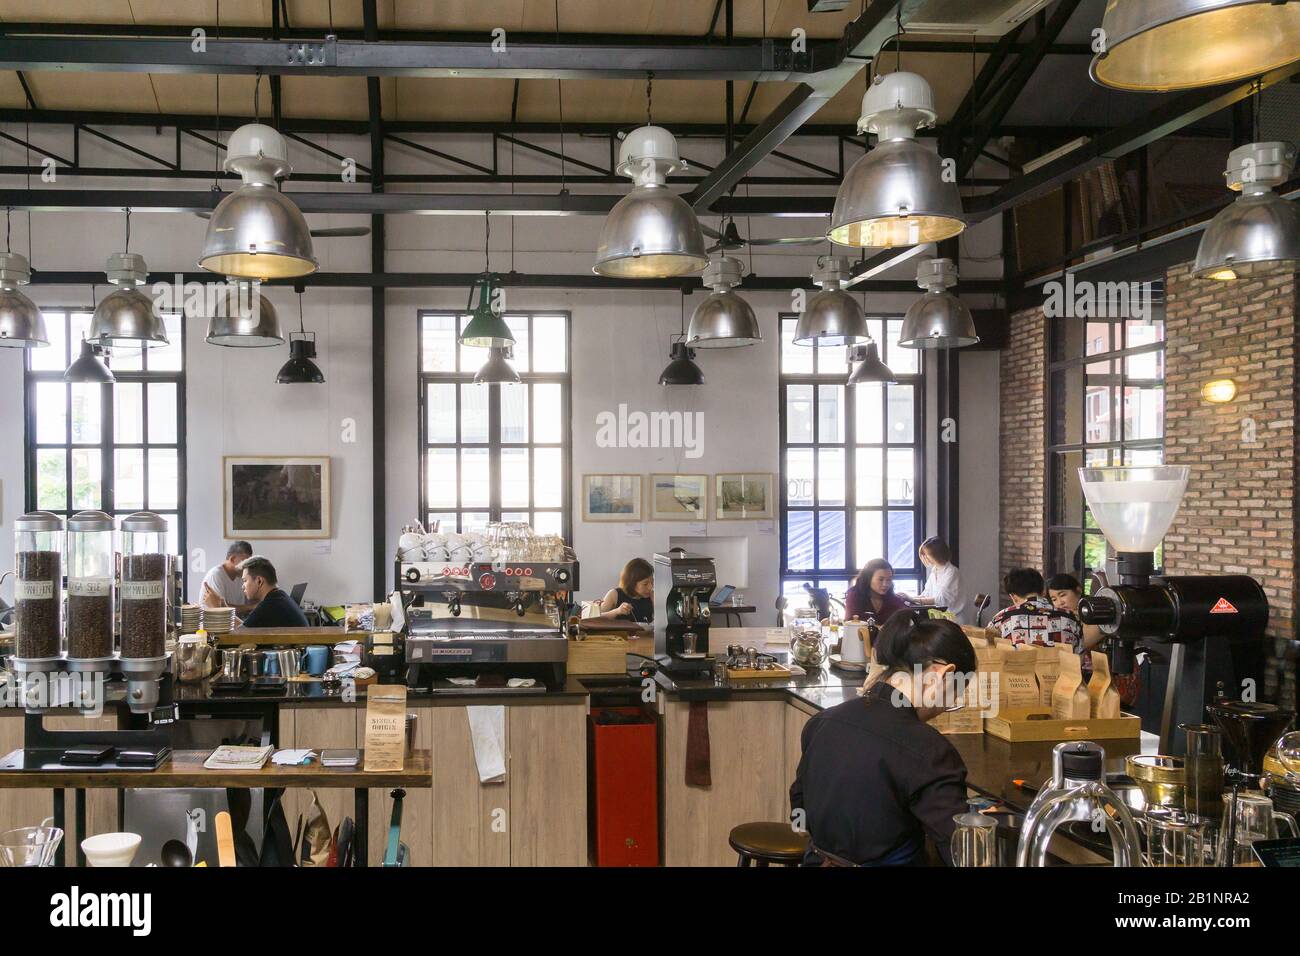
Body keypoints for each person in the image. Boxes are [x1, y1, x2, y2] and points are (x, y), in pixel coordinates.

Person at [790, 614, 978, 866]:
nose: (948, 706)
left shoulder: (823, 721)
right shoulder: (929, 750)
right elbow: (959, 851)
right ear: (941, 676)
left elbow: (798, 808)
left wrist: (818, 846)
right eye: (956, 693)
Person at [989, 567, 1082, 650]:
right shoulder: (1072, 618)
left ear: (1013, 596)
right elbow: (1079, 659)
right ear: (1044, 591)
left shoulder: (1001, 619)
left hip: (1017, 669)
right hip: (1060, 669)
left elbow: (987, 653)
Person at [1046, 572, 1107, 678]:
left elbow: (1082, 642)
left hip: (1103, 676)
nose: (1060, 602)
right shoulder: (1062, 619)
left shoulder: (1095, 613)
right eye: (1054, 599)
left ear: (1078, 591)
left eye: (1063, 595)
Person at [902, 536, 970, 625]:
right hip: (939, 619)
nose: (924, 557)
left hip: (953, 620)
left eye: (926, 554)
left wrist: (911, 598)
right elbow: (926, 594)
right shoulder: (934, 571)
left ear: (937, 554)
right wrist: (908, 599)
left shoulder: (952, 572)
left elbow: (941, 600)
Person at [238, 556, 309, 628]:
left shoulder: (269, 605)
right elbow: (246, 628)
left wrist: (226, 611)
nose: (242, 586)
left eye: (245, 580)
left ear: (259, 581)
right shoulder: (279, 597)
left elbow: (239, 634)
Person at [844, 558, 909, 624]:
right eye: (881, 579)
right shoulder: (855, 595)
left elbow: (905, 617)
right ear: (868, 578)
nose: (885, 584)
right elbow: (850, 623)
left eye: (889, 580)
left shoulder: (892, 599)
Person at [200, 541, 257, 615]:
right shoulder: (216, 575)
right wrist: (251, 607)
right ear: (232, 559)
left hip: (234, 622)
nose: (247, 567)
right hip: (216, 623)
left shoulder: (241, 575)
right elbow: (220, 608)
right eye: (245, 562)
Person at [596, 558, 654, 623]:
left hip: (645, 633)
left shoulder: (652, 596)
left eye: (652, 582)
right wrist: (616, 611)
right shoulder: (614, 594)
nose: (650, 587)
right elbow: (595, 618)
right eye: (645, 584)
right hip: (619, 633)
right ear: (632, 582)